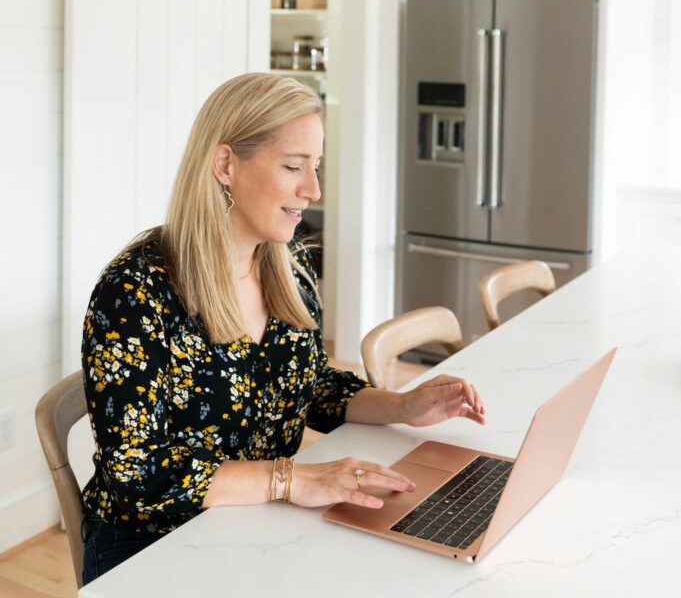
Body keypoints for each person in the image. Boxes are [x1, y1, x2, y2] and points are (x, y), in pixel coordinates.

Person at [80, 73, 485, 583]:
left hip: (261, 527)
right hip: (154, 547)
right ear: (225, 164)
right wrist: (291, 479)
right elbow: (134, 476)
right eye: (294, 166)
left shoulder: (287, 268)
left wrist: (402, 405)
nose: (313, 189)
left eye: (315, 167)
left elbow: (312, 387)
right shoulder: (136, 291)